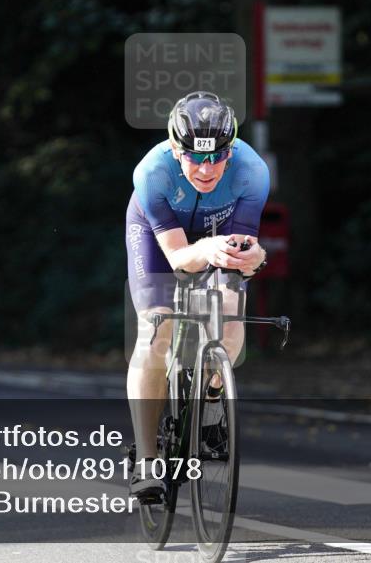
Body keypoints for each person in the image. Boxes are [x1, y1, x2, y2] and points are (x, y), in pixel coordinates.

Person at [126, 91, 269, 502]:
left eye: (217, 156)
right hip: (160, 240)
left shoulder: (252, 172)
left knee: (230, 314)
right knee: (155, 331)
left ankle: (210, 397)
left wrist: (254, 259)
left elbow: (245, 253)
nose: (207, 169)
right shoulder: (152, 172)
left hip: (217, 235)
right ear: (176, 150)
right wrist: (206, 249)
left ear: (231, 150)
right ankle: (147, 459)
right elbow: (177, 259)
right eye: (194, 157)